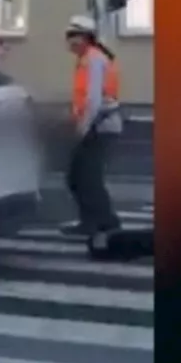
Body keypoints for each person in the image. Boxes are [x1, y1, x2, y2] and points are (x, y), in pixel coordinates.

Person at [58, 15, 124, 237]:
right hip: (97, 125)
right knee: (79, 178)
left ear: (87, 38)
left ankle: (106, 223)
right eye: (69, 35)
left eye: (74, 35)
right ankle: (93, 221)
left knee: (87, 178)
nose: (70, 40)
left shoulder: (94, 59)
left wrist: (83, 128)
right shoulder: (88, 58)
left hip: (99, 127)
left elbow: (94, 100)